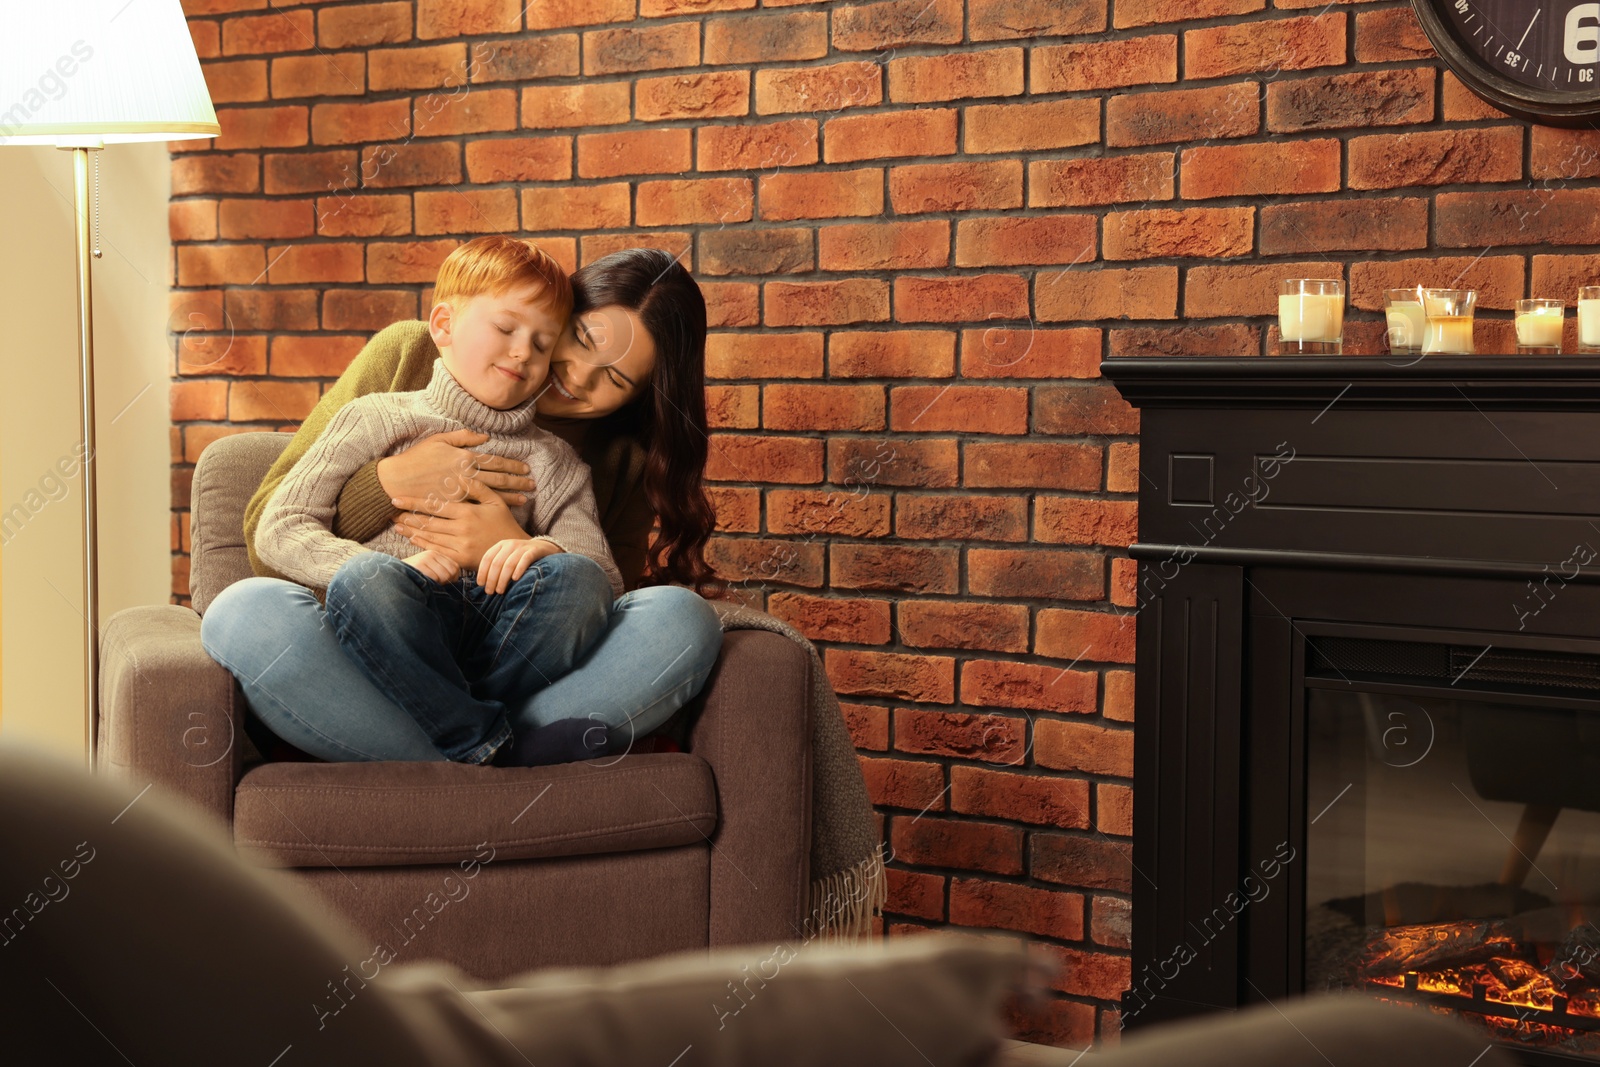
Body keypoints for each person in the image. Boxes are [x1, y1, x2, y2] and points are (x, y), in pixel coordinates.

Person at [201, 244, 725, 766]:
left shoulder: (573, 462)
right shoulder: (389, 393)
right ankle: (501, 748)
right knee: (245, 612)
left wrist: (518, 544)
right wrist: (388, 486)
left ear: (640, 397)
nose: (575, 374)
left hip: (510, 645)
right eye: (579, 338)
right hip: (379, 632)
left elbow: (596, 592)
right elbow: (272, 524)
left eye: (614, 378)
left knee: (680, 618)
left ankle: (463, 735)